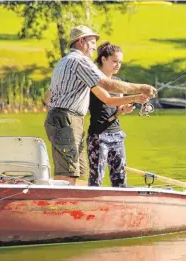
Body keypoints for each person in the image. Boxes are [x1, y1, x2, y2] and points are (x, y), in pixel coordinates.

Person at [44, 25, 156, 185]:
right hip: (67, 120)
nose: (94, 48)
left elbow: (47, 97)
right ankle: (59, 206)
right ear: (81, 41)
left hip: (65, 119)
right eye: (92, 43)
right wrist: (142, 89)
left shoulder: (63, 61)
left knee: (77, 171)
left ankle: (73, 205)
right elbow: (106, 85)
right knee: (67, 171)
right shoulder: (79, 61)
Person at [87, 42, 139, 187]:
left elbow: (118, 107)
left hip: (117, 135)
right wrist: (135, 97)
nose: (118, 65)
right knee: (96, 179)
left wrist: (124, 109)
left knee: (120, 179)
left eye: (120, 62)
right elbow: (109, 101)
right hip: (98, 136)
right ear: (103, 59)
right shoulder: (94, 80)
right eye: (114, 61)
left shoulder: (118, 82)